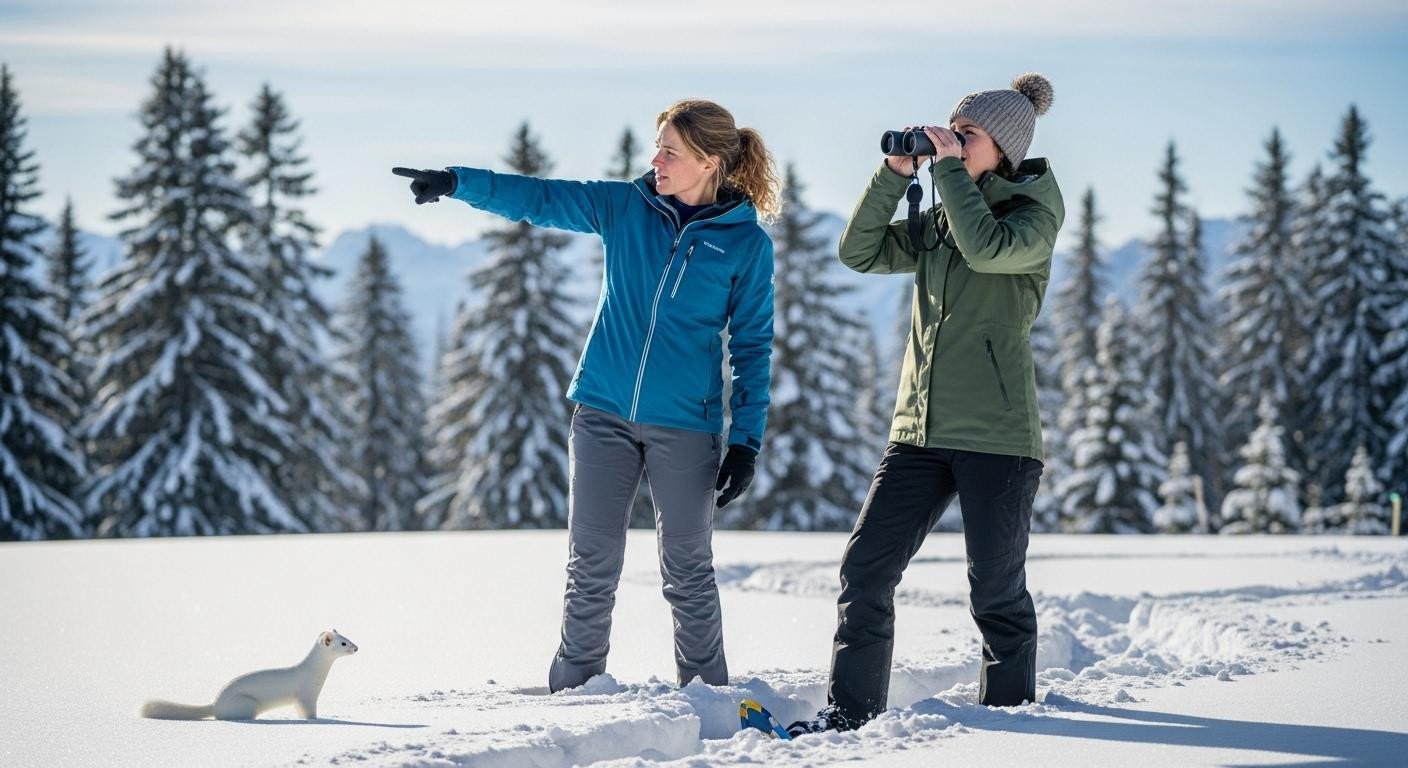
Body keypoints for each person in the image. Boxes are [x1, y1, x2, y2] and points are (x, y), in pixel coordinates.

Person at [392, 99, 780, 692]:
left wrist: (746, 440)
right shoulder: (626, 207)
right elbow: (542, 199)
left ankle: (709, 700)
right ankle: (573, 694)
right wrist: (457, 182)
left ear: (708, 162)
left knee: (688, 570)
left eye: (670, 152)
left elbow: (751, 346)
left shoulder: (745, 245)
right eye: (658, 147)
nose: (656, 161)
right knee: (592, 566)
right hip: (602, 413)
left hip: (687, 427)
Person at [790, 73, 1064, 734]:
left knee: (995, 592)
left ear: (1004, 148)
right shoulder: (946, 210)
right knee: (864, 572)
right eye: (952, 131)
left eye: (967, 136)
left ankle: (1011, 723)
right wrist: (892, 174)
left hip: (998, 437)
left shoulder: (1032, 214)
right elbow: (858, 252)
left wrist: (946, 175)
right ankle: (851, 717)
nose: (953, 142)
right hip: (917, 433)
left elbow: (985, 247)